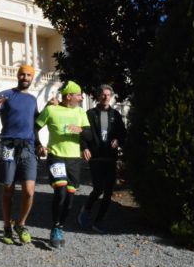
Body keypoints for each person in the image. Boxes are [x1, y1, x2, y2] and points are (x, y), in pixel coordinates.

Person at [0, 64, 40, 245]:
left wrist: (39, 144)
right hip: (8, 145)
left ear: (32, 78)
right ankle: (7, 226)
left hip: (28, 147)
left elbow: (35, 125)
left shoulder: (32, 99)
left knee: (29, 191)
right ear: (18, 75)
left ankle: (20, 224)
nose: (25, 77)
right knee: (8, 188)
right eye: (22, 74)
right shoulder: (6, 94)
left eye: (28, 75)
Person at [35, 80, 90, 248]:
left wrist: (80, 130)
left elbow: (89, 134)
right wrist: (39, 145)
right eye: (79, 95)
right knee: (61, 192)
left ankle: (60, 227)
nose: (81, 98)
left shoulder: (80, 112)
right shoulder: (51, 109)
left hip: (74, 160)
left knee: (70, 199)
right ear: (69, 96)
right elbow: (34, 127)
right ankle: (55, 228)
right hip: (56, 156)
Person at [79, 85, 126, 233]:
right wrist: (84, 147)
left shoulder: (115, 115)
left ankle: (98, 221)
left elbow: (122, 133)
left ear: (111, 97)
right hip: (96, 157)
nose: (106, 97)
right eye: (103, 95)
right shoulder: (90, 114)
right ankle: (86, 209)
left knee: (109, 191)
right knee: (98, 188)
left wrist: (118, 140)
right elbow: (83, 133)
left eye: (108, 95)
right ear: (98, 96)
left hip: (110, 157)